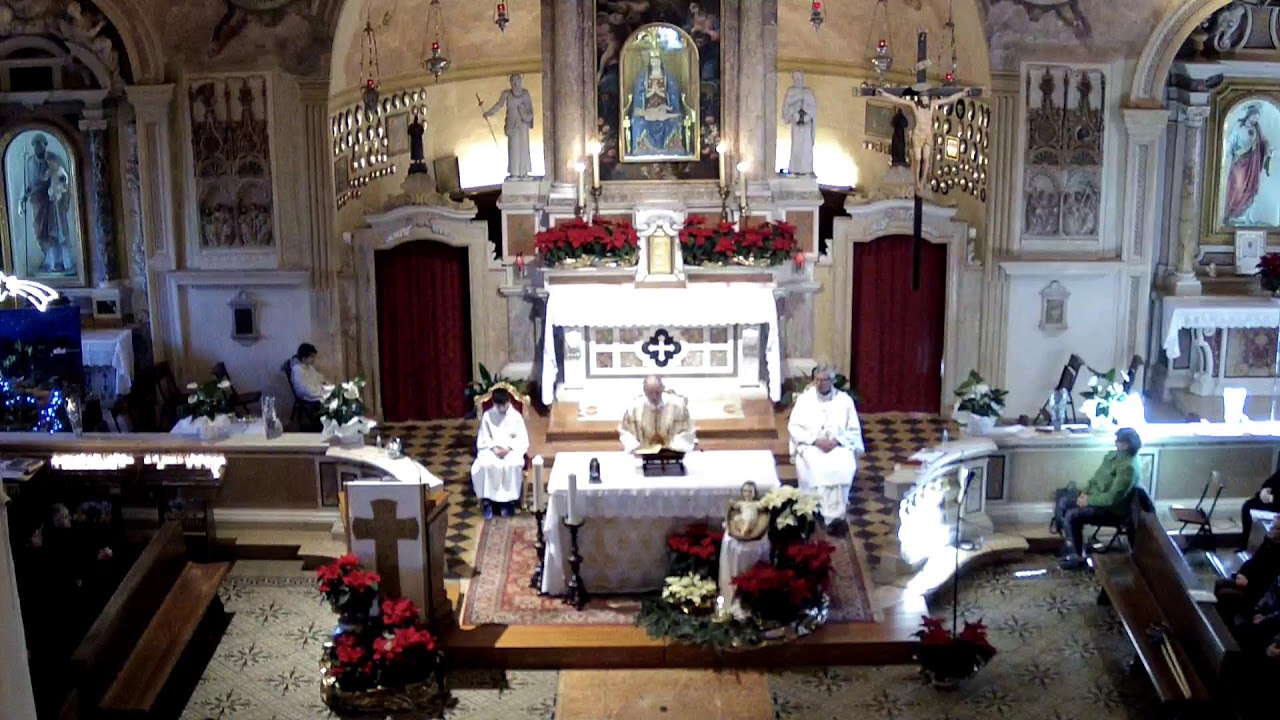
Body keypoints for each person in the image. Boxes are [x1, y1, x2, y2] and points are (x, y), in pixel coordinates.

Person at [788, 365, 864, 535]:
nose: (821, 383)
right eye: (818, 380)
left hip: (837, 445)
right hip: (813, 445)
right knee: (817, 465)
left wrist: (837, 441)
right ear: (814, 381)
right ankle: (822, 510)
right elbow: (794, 427)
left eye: (825, 380)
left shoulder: (844, 401)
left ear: (832, 380)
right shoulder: (804, 400)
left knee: (845, 463)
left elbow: (853, 429)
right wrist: (815, 440)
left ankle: (837, 511)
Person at [1058, 427, 1142, 570]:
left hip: (1112, 511)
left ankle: (1079, 557)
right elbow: (1095, 479)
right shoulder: (1112, 457)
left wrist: (1088, 501)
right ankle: (1071, 544)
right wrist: (1084, 493)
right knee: (1063, 501)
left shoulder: (1128, 468)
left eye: (1119, 441)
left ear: (1127, 445)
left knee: (1073, 515)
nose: (1115, 443)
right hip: (1095, 499)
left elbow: (1111, 499)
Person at [18, 133, 74, 275]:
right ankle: (50, 261)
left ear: (45, 145)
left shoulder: (54, 160)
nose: (37, 147)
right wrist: (22, 199)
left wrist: (56, 189)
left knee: (56, 232)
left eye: (40, 144)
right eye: (35, 144)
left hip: (54, 202)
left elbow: (63, 178)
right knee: (40, 232)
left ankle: (61, 262)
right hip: (39, 202)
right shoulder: (30, 162)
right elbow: (28, 183)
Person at [470, 388, 529, 519]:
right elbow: (484, 438)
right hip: (492, 450)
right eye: (499, 406)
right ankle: (488, 502)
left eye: (504, 405)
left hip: (510, 450)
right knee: (486, 465)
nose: (502, 409)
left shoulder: (516, 417)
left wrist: (508, 448)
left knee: (512, 465)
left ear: (508, 401)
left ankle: (507, 502)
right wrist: (494, 449)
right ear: (494, 404)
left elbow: (522, 439)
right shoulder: (488, 416)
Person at [1216, 520, 1280, 625]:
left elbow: (1267, 579)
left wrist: (1247, 581)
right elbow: (1252, 562)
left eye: (1275, 528)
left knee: (1223, 594)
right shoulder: (1268, 543)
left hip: (1255, 589)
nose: (1270, 530)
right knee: (1219, 584)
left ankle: (1224, 626)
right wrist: (1241, 574)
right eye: (1271, 526)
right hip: (1246, 580)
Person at [618, 376, 697, 453]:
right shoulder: (634, 408)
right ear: (644, 391)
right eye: (650, 392)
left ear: (662, 389)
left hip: (671, 454)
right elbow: (626, 432)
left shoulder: (677, 406)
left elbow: (687, 431)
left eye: (657, 392)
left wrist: (676, 446)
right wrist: (634, 446)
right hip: (643, 454)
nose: (654, 396)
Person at [482, 73, 535, 179]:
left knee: (524, 148)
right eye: (513, 81)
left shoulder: (525, 94)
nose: (515, 83)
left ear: (520, 81)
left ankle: (524, 172)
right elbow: (498, 105)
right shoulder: (506, 94)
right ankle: (514, 173)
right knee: (513, 148)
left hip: (523, 125)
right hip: (512, 126)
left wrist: (525, 114)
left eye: (517, 81)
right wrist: (489, 113)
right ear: (510, 83)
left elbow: (530, 109)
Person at [782, 71, 817, 175]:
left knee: (806, 148)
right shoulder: (791, 92)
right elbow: (786, 108)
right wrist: (794, 111)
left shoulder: (808, 92)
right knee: (796, 148)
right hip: (796, 123)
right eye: (796, 78)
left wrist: (807, 115)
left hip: (807, 124)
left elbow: (813, 109)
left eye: (799, 78)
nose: (798, 80)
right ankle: (795, 169)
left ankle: (806, 170)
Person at [287, 343, 326, 432]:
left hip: (316, 391)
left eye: (314, 357)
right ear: (304, 358)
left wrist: (325, 384)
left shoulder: (310, 368)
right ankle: (321, 426)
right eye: (311, 357)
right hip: (307, 396)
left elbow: (319, 377)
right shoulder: (297, 370)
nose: (313, 359)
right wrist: (320, 392)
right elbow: (302, 389)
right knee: (327, 400)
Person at [1242, 469, 1280, 546]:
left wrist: (1271, 498)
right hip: (1272, 501)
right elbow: (1269, 482)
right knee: (1248, 506)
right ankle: (1245, 544)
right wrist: (1265, 490)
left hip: (1277, 504)